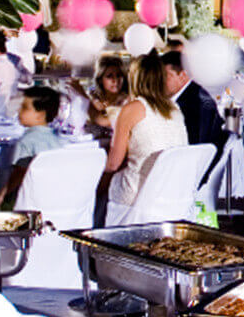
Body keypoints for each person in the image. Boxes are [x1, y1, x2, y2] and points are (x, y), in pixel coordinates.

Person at [103, 52, 189, 210]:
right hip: (171, 193)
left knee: (102, 185)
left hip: (139, 196)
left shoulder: (132, 108)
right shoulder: (174, 108)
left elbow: (113, 164)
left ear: (134, 78)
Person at [0, 86, 64, 210]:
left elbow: (20, 173)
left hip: (28, 201)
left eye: (25, 108)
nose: (19, 111)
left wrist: (2, 194)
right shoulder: (57, 140)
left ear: (40, 115)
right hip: (52, 198)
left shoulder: (26, 141)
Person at [159, 49, 227, 155]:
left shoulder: (190, 106)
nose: (159, 81)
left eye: (165, 76)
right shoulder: (197, 93)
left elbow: (190, 147)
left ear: (183, 75)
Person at [70, 56, 130, 143]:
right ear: (100, 79)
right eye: (110, 76)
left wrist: (83, 95)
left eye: (119, 76)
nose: (115, 80)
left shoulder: (126, 101)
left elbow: (101, 120)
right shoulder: (95, 98)